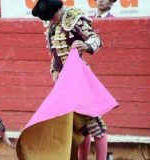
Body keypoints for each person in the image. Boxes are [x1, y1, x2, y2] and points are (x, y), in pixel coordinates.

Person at [32, 0, 107, 160]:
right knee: (79, 128)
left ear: (59, 9)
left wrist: (87, 45)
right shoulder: (53, 26)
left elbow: (96, 39)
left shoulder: (74, 18)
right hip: (64, 84)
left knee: (95, 125)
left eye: (52, 17)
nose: (51, 20)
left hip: (80, 79)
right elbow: (56, 54)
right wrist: (54, 70)